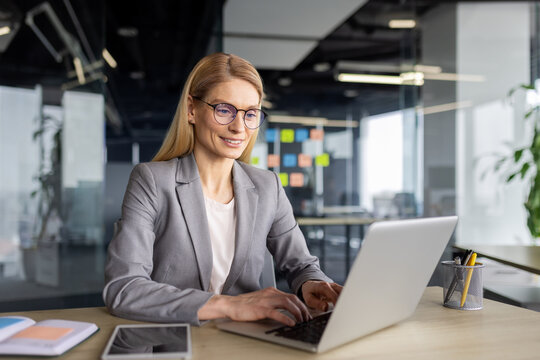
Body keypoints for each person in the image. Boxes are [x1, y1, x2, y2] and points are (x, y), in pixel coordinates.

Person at [103, 52, 342, 327]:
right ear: (192, 109)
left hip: (248, 343)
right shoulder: (153, 182)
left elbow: (301, 265)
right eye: (224, 110)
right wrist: (228, 305)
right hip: (175, 340)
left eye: (250, 114)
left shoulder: (268, 186)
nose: (239, 127)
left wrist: (312, 284)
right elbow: (124, 288)